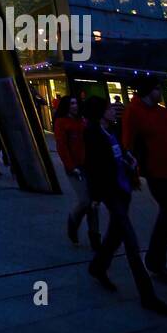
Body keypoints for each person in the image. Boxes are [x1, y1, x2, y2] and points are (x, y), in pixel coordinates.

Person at [83, 97, 167, 315]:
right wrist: (95, 196)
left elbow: (117, 154)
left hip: (123, 190)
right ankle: (147, 296)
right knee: (131, 244)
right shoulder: (93, 135)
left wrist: (128, 160)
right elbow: (94, 168)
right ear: (100, 113)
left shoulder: (110, 131)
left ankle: (97, 267)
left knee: (115, 235)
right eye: (109, 108)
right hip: (111, 193)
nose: (113, 111)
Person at [122, 76, 167, 283]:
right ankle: (155, 261)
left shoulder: (162, 112)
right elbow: (128, 144)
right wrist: (133, 175)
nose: (159, 92)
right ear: (146, 90)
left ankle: (156, 260)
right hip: (157, 173)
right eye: (156, 89)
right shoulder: (133, 112)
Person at [53, 94, 101, 251]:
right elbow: (62, 146)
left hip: (89, 166)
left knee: (93, 204)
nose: (75, 106)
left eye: (76, 103)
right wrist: (70, 165)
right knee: (85, 201)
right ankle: (73, 222)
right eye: (72, 103)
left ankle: (95, 237)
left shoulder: (83, 121)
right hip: (75, 167)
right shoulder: (61, 123)